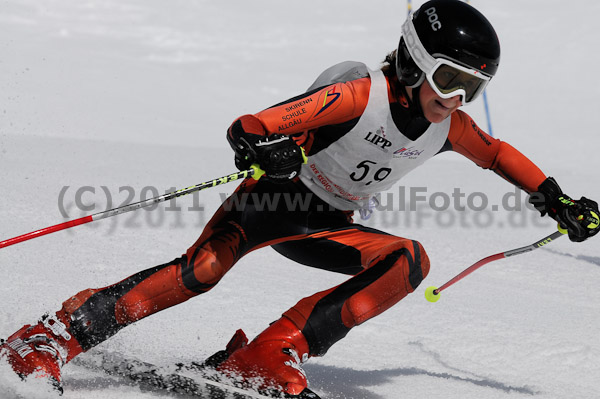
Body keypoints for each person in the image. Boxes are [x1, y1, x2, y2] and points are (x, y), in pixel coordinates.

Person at [2, 0, 598, 396]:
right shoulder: (357, 96)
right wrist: (266, 148)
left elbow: (497, 154)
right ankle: (54, 334)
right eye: (449, 80)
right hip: (271, 201)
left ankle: (268, 354)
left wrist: (555, 198)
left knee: (407, 259)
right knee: (201, 272)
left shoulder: (447, 128)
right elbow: (252, 125)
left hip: (323, 224)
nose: (456, 99)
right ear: (416, 63)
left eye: (472, 88)